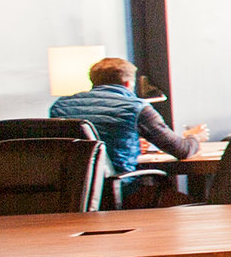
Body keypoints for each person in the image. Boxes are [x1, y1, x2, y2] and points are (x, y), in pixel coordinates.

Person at [49, 57, 205, 176]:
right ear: (127, 84)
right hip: (120, 186)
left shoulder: (60, 106)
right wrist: (194, 138)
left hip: (71, 190)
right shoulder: (136, 107)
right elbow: (182, 150)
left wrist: (133, 144)